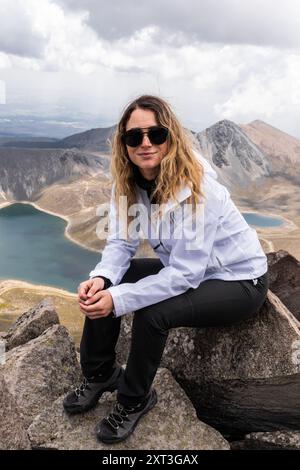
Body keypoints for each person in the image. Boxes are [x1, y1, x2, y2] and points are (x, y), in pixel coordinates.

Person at [63, 95, 269, 444]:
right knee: (110, 283)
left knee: (153, 313)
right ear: (123, 143)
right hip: (195, 270)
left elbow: (186, 274)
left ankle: (134, 399)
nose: (145, 143)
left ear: (170, 136)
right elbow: (120, 245)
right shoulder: (127, 184)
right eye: (134, 137)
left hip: (238, 279)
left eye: (156, 134)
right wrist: (102, 280)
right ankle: (100, 373)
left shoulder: (199, 190)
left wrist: (121, 299)